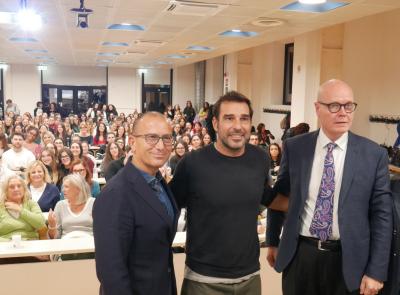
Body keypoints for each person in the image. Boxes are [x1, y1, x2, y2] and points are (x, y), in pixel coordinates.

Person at [269, 79, 392, 295]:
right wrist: (272, 240)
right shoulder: (296, 148)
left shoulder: (373, 155)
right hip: (301, 256)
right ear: (318, 108)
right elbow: (280, 197)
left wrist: (377, 271)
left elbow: (382, 216)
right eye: (334, 106)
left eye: (349, 106)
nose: (343, 113)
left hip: (350, 261)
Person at [169, 91, 287, 295]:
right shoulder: (192, 164)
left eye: (244, 118)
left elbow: (266, 197)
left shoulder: (259, 158)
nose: (238, 126)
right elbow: (168, 210)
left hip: (249, 278)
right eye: (229, 118)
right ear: (215, 124)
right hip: (203, 281)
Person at [93, 112, 178, 295]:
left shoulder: (159, 182)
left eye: (167, 138)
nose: (161, 146)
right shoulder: (115, 194)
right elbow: (111, 271)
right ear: (132, 142)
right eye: (151, 138)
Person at [0, 175, 46, 242]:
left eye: (19, 186)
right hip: (7, 246)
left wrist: (20, 210)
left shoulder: (31, 204)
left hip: (31, 243)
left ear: (24, 189)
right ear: (6, 191)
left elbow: (41, 223)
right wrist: (10, 243)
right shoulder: (1, 207)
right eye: (12, 187)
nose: (16, 189)